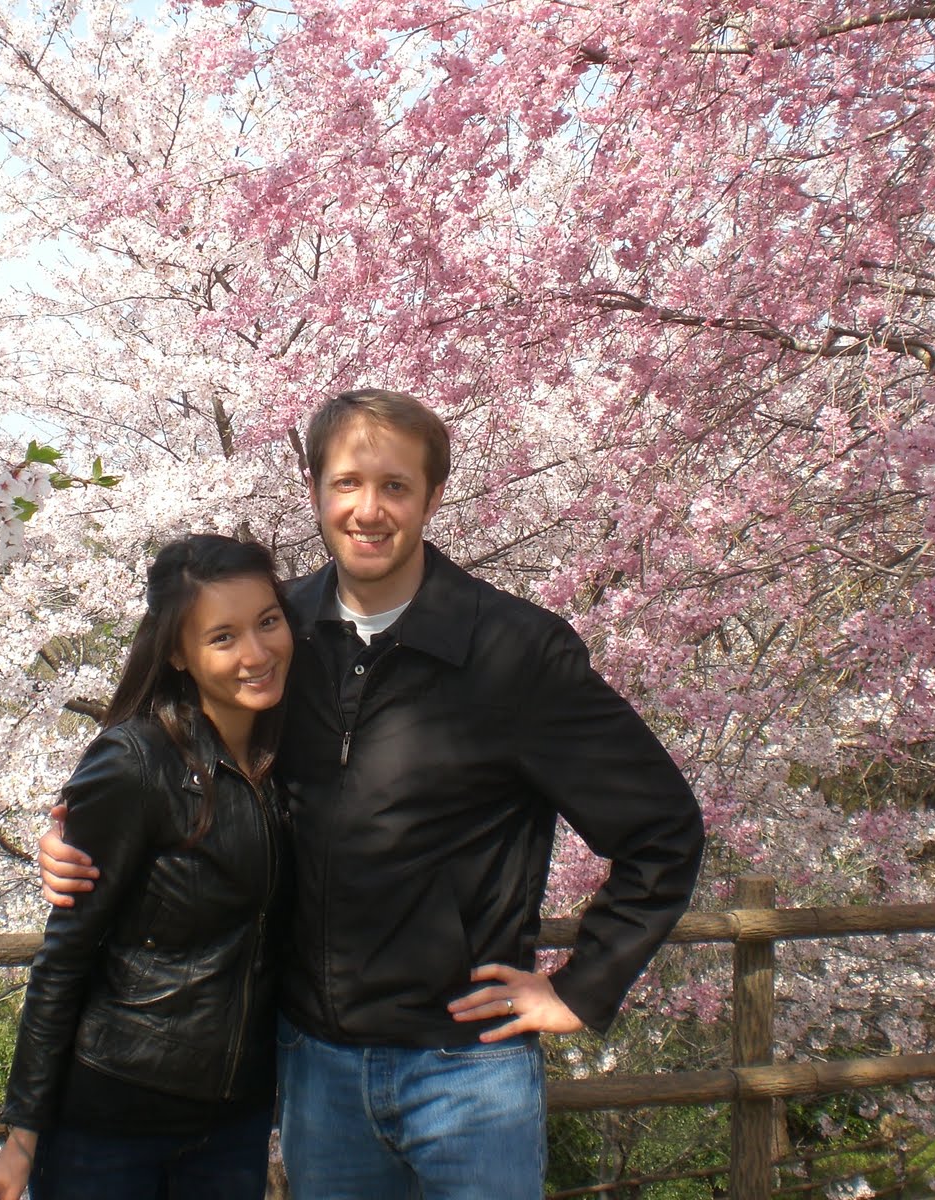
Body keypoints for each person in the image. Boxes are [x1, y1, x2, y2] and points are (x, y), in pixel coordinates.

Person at [41, 390, 706, 1199]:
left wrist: (583, 984)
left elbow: (662, 829)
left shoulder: (512, 651)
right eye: (347, 483)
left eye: (395, 486)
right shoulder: (279, 638)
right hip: (315, 1067)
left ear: (432, 496)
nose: (368, 509)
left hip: (466, 1070)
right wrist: (79, 840)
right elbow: (182, 755)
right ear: (316, 491)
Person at [0, 534, 294, 1200]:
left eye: (269, 622)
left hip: (235, 1121)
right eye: (223, 638)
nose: (257, 654)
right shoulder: (136, 763)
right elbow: (65, 957)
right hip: (114, 1117)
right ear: (177, 652)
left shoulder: (295, 757)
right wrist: (22, 1136)